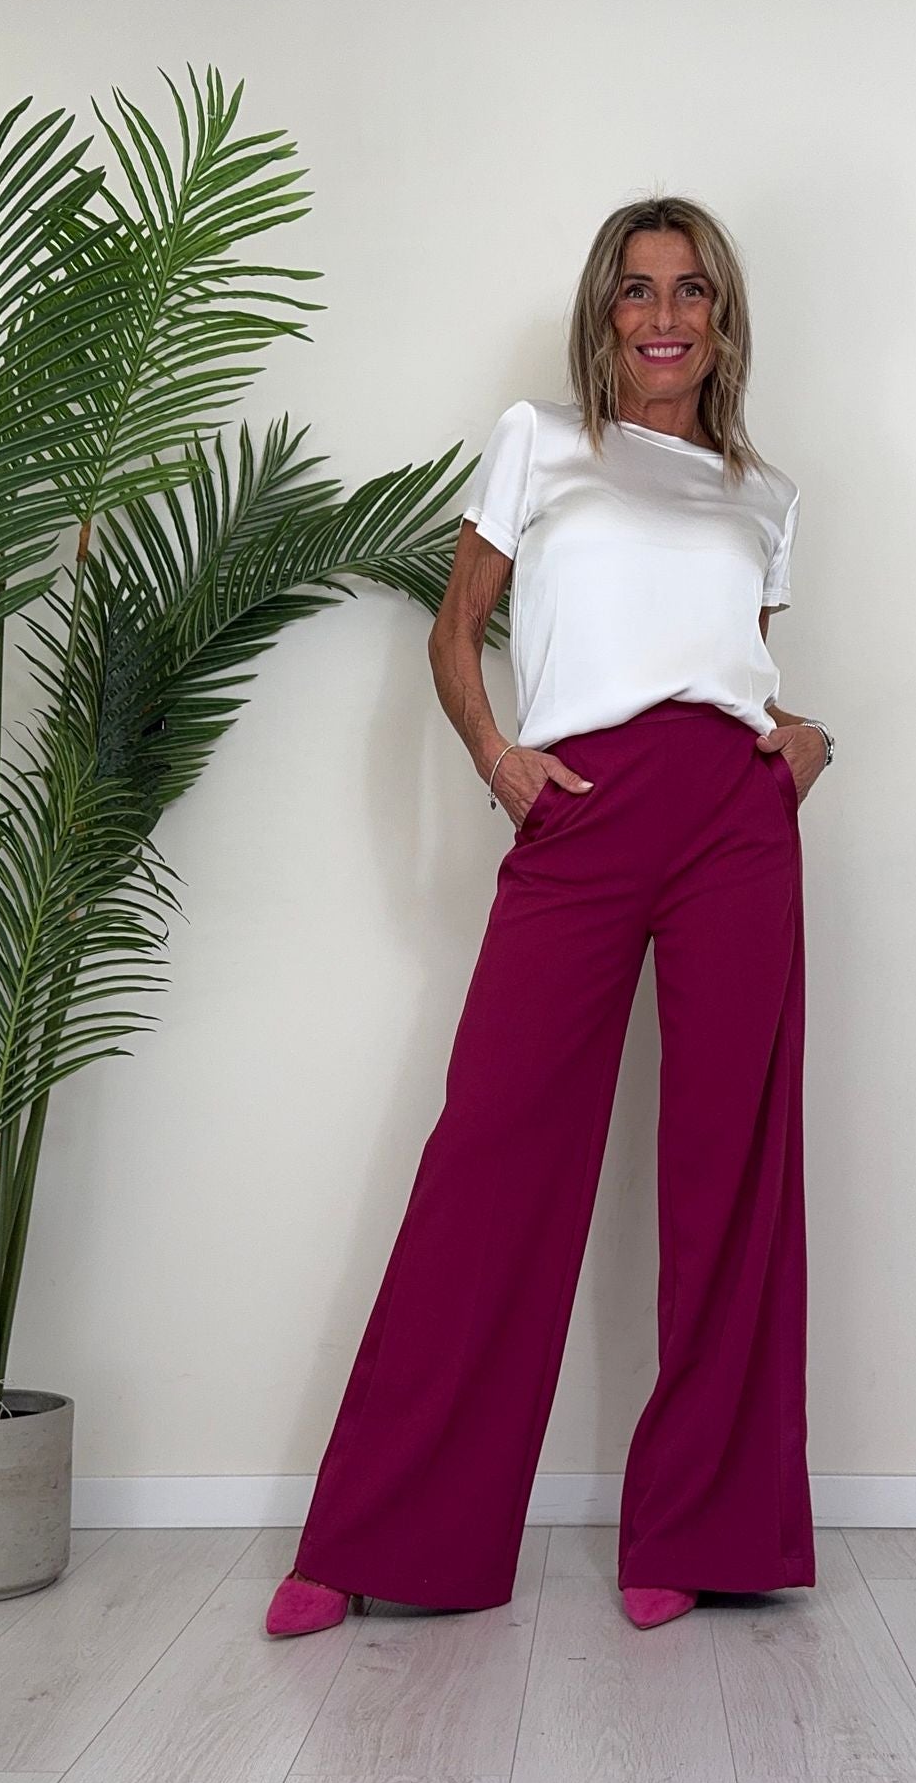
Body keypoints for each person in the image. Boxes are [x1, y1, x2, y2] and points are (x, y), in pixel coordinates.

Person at [266, 194, 833, 1639]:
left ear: (722, 320)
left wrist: (797, 743)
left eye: (690, 291)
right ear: (604, 313)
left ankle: (705, 1534)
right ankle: (380, 1537)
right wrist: (495, 757)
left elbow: (731, 667)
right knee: (494, 1146)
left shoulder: (766, 496)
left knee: (731, 1165)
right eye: (637, 290)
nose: (664, 315)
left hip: (732, 823)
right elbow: (457, 629)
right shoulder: (544, 440)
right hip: (580, 810)